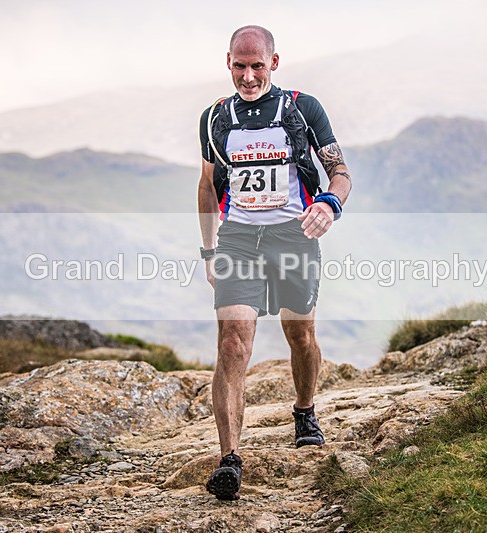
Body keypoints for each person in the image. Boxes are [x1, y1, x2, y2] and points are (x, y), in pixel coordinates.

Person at [197, 25, 352, 501]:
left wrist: (329, 203)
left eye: (257, 66)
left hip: (293, 235)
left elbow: (340, 172)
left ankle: (304, 409)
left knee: (299, 333)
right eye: (239, 66)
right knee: (232, 341)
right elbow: (206, 186)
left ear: (274, 62)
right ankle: (230, 460)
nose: (248, 76)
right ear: (228, 62)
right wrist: (209, 249)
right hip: (238, 239)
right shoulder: (214, 118)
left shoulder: (303, 109)